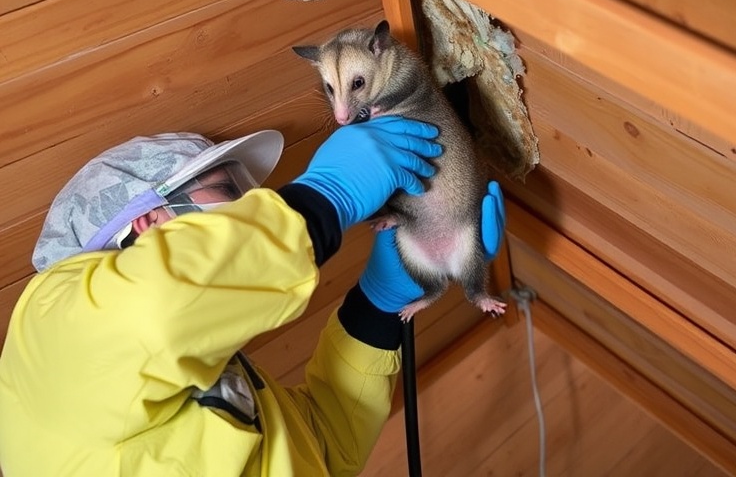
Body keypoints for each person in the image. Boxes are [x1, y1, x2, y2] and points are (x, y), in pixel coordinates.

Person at [0, 117, 505, 476]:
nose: (249, 205)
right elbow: (158, 308)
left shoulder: (204, 371)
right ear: (148, 221)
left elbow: (321, 449)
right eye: (227, 191)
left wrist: (376, 307)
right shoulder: (49, 326)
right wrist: (326, 195)